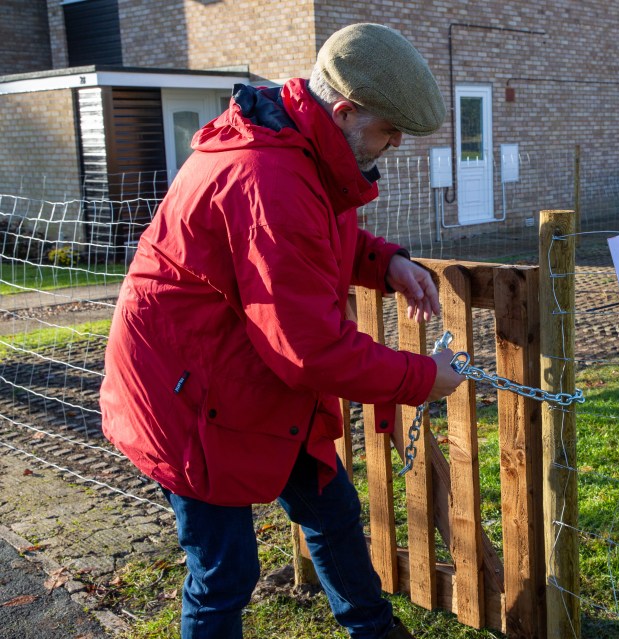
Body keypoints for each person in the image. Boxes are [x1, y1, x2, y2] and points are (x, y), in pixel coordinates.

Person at [99, 23, 463, 639]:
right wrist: (422, 378)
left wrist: (384, 262)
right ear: (345, 112)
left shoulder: (299, 147)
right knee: (224, 573)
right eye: (389, 129)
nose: (396, 143)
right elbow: (310, 350)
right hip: (188, 398)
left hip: (245, 379)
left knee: (333, 512)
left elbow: (313, 242)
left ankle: (374, 630)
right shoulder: (269, 177)